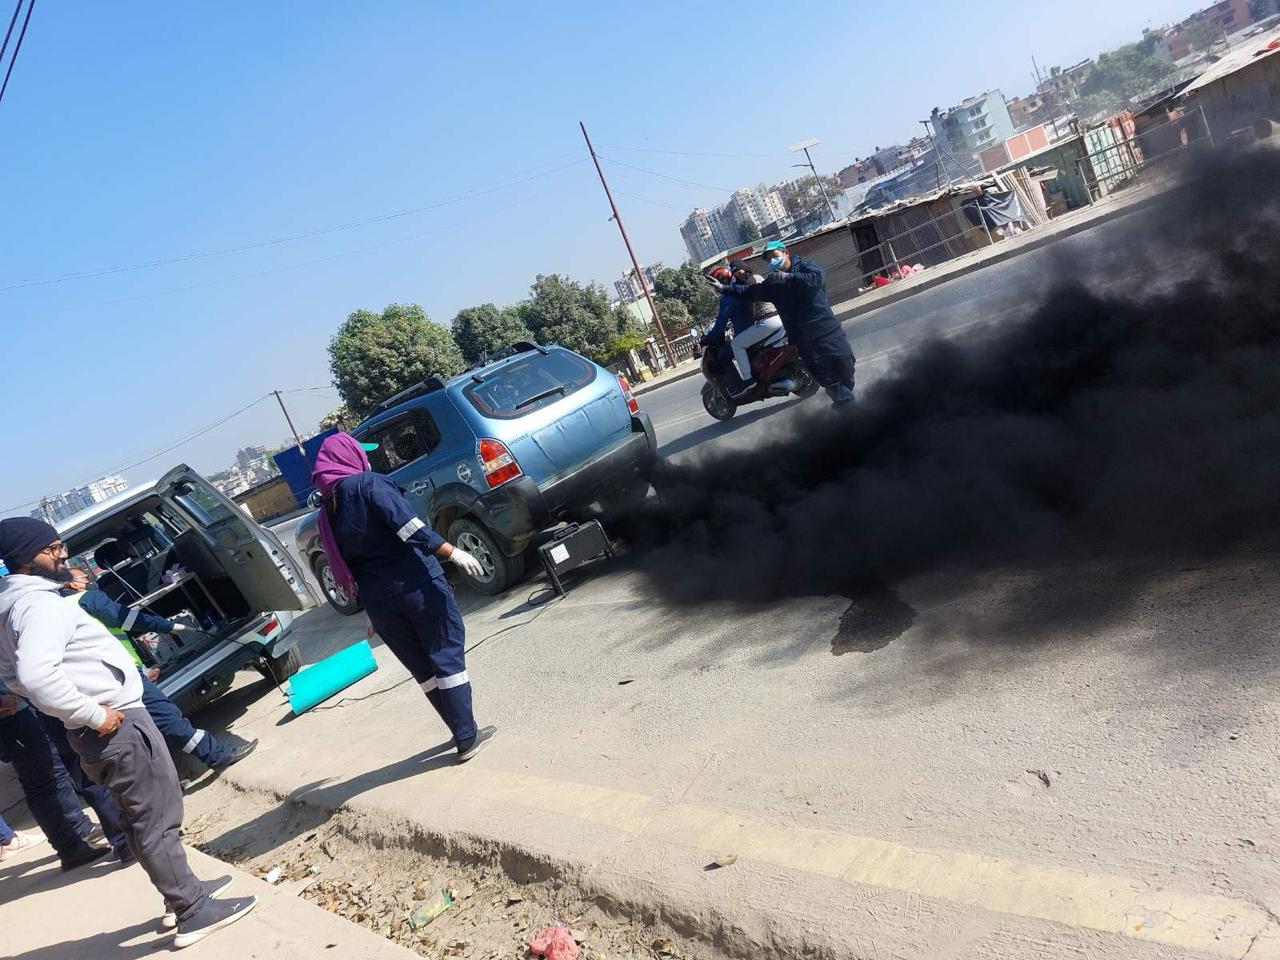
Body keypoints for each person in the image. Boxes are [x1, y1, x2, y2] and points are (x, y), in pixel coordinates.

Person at [0, 517, 256, 948]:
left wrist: (72, 709)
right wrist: (91, 713)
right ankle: (192, 909)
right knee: (156, 816)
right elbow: (33, 676)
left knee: (142, 818)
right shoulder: (37, 606)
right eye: (55, 547)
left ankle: (182, 893)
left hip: (100, 726)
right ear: (30, 557)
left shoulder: (13, 605)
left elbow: (13, 677)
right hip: (112, 726)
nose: (63, 554)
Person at [311, 433, 497, 762]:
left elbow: (346, 563)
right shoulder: (369, 484)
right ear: (350, 458)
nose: (367, 459)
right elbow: (409, 528)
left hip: (380, 604)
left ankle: (458, 729)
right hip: (417, 586)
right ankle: (467, 735)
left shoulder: (328, 510)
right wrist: (453, 552)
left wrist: (371, 611)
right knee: (446, 654)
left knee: (423, 670)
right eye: (361, 454)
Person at [63, 566, 257, 772]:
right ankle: (216, 756)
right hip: (124, 677)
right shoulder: (87, 599)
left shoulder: (58, 611)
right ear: (72, 584)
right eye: (84, 577)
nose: (90, 580)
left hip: (101, 683)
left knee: (140, 731)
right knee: (168, 717)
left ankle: (166, 779)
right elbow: (126, 618)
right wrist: (166, 625)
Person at [711, 240, 856, 406]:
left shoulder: (804, 267)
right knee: (829, 379)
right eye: (768, 259)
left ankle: (845, 402)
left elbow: (817, 279)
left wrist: (790, 278)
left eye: (775, 256)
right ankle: (848, 410)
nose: (772, 260)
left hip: (827, 330)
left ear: (786, 252)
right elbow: (749, 292)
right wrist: (724, 289)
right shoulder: (773, 283)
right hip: (804, 340)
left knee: (847, 368)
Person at [0, 685, 117, 870]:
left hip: (18, 712)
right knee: (44, 783)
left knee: (51, 777)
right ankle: (70, 848)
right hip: (11, 717)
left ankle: (77, 835)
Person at [700, 263, 784, 399]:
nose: (714, 288)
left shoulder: (728, 297)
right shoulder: (741, 287)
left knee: (724, 354)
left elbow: (720, 325)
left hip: (757, 327)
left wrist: (706, 339)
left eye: (714, 283)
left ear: (720, 281)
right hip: (767, 322)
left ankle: (745, 383)